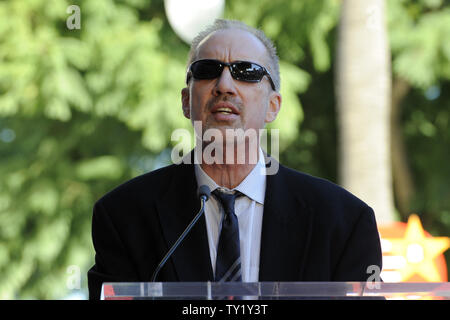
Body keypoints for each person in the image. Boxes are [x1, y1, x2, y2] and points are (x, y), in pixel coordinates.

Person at [87, 19, 382, 300]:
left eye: (247, 72)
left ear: (273, 106)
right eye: (207, 70)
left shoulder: (343, 222)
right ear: (186, 102)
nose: (224, 84)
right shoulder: (123, 216)